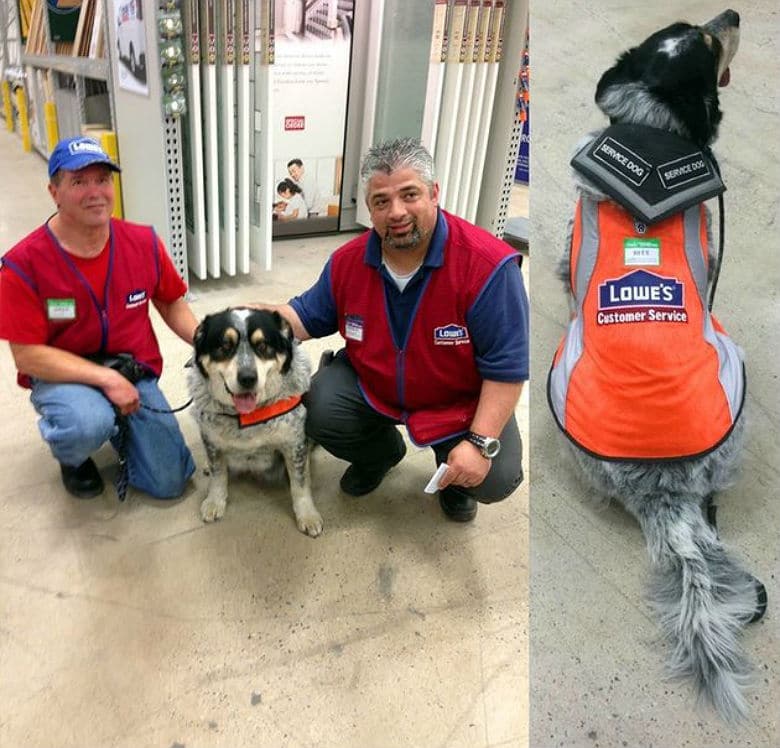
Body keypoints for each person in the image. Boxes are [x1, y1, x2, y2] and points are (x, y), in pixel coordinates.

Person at [264, 137, 528, 522]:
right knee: (320, 407)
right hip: (375, 387)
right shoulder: (347, 263)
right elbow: (304, 317)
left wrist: (478, 441)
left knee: (497, 476)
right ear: (369, 209)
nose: (397, 212)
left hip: (456, 401)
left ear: (434, 193)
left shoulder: (488, 268)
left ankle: (454, 476)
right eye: (382, 201)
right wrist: (245, 321)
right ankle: (380, 454)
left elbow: (507, 370)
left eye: (410, 195)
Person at [0, 136, 197, 500]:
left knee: (170, 482)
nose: (95, 192)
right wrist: (104, 379)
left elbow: (171, 303)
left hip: (130, 368)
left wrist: (207, 341)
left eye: (102, 179)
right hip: (63, 374)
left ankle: (119, 426)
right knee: (85, 423)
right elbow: (27, 355)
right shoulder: (22, 265)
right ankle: (73, 454)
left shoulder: (142, 242)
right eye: (79, 182)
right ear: (54, 191)